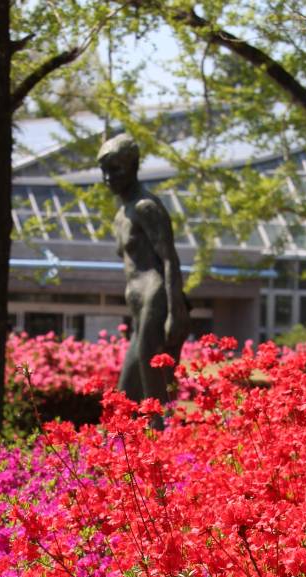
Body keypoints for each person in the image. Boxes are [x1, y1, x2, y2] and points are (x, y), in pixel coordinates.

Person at [97, 134, 189, 413]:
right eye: (104, 170)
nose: (108, 177)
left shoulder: (145, 207)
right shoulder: (122, 213)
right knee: (131, 383)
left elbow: (170, 259)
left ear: (134, 166)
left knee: (152, 384)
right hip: (138, 302)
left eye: (116, 169)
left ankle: (158, 442)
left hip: (155, 297)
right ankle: (125, 446)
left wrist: (175, 311)